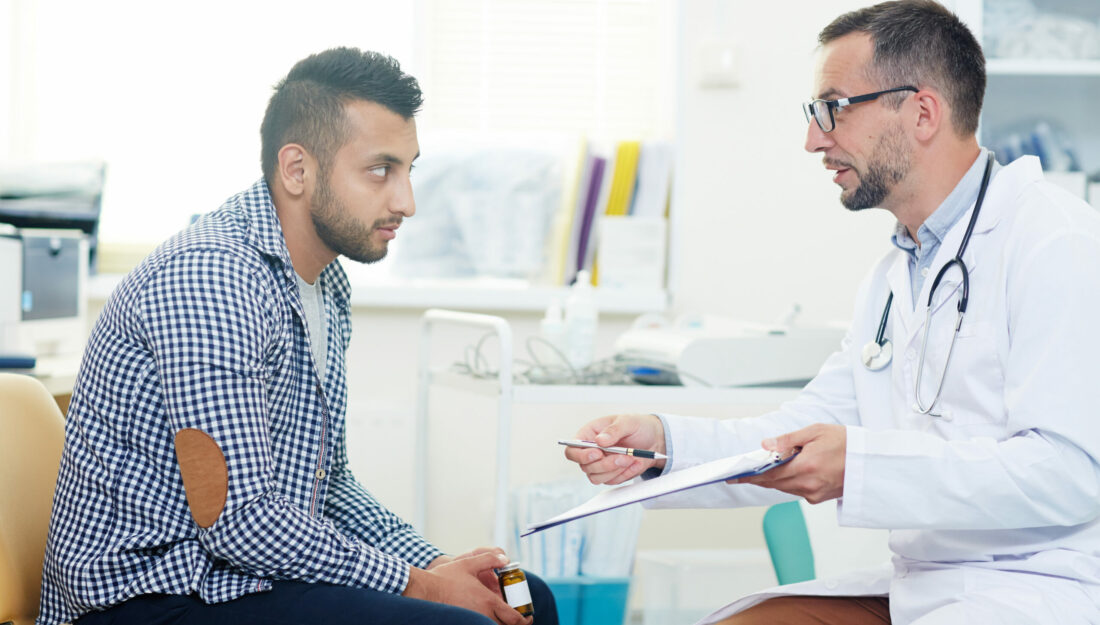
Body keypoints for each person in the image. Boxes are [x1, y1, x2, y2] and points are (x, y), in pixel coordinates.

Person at [565, 2, 1100, 623]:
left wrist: (861, 466)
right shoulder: (899, 271)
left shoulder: (1057, 243)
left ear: (922, 112)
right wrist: (664, 445)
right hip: (922, 587)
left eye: (832, 108)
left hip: (1042, 587)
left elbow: (1070, 471)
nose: (814, 139)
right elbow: (800, 431)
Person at [37, 48, 557, 625]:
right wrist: (426, 590)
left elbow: (327, 486)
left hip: (242, 578)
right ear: (296, 170)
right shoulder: (211, 280)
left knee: (524, 595)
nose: (405, 201)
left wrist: (438, 565)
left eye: (410, 170)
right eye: (380, 170)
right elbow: (239, 521)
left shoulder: (325, 282)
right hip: (147, 600)